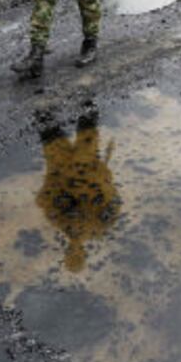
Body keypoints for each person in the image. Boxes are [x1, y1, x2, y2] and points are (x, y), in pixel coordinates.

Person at [35, 108, 121, 271]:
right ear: (84, 254)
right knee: (86, 131)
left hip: (63, 170)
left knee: (50, 129)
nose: (74, 253)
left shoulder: (61, 223)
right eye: (77, 257)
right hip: (86, 172)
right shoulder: (100, 228)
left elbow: (44, 199)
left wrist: (58, 200)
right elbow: (113, 200)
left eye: (71, 256)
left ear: (66, 254)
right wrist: (104, 182)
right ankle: (84, 89)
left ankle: (36, 94)